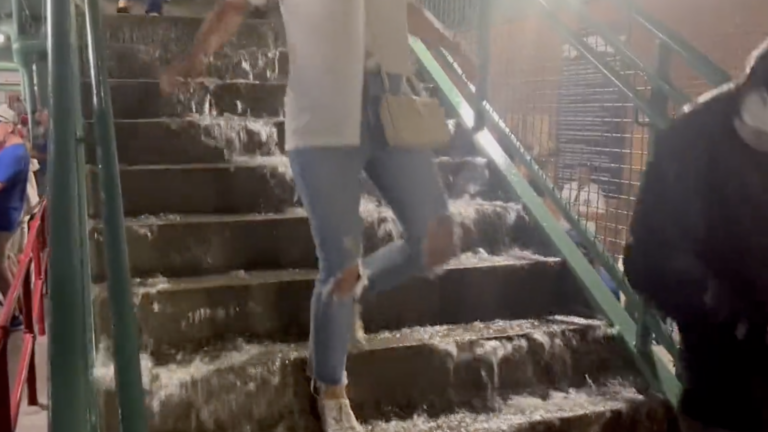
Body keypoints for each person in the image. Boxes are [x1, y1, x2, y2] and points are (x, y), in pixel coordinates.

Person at [160, 1, 463, 431]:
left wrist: (452, 42)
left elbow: (405, 9)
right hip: (322, 117)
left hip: (393, 106)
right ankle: (330, 387)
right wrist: (198, 56)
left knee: (438, 240)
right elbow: (234, 7)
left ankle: (353, 291)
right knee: (340, 265)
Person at [623, 38, 768, 432]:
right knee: (720, 404)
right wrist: (713, 301)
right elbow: (647, 253)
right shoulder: (693, 140)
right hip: (716, 329)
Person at [0, 105, 30, 332]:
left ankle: (14, 315)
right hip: (9, 216)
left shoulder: (13, 154)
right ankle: (17, 308)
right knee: (4, 262)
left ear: (9, 127)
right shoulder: (12, 150)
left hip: (4, 218)